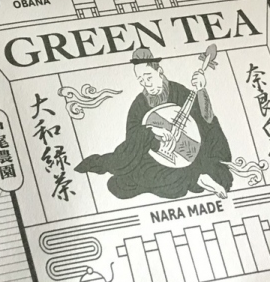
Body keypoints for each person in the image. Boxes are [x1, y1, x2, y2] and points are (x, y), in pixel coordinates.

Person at [74, 47, 233, 200]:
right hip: (155, 157)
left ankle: (198, 177)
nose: (146, 84)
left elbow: (206, 119)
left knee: (221, 176)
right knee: (121, 184)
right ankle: (197, 178)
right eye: (141, 80)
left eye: (148, 77)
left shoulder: (179, 91)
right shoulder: (139, 104)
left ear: (159, 72)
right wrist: (152, 132)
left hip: (188, 155)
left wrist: (201, 90)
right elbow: (133, 140)